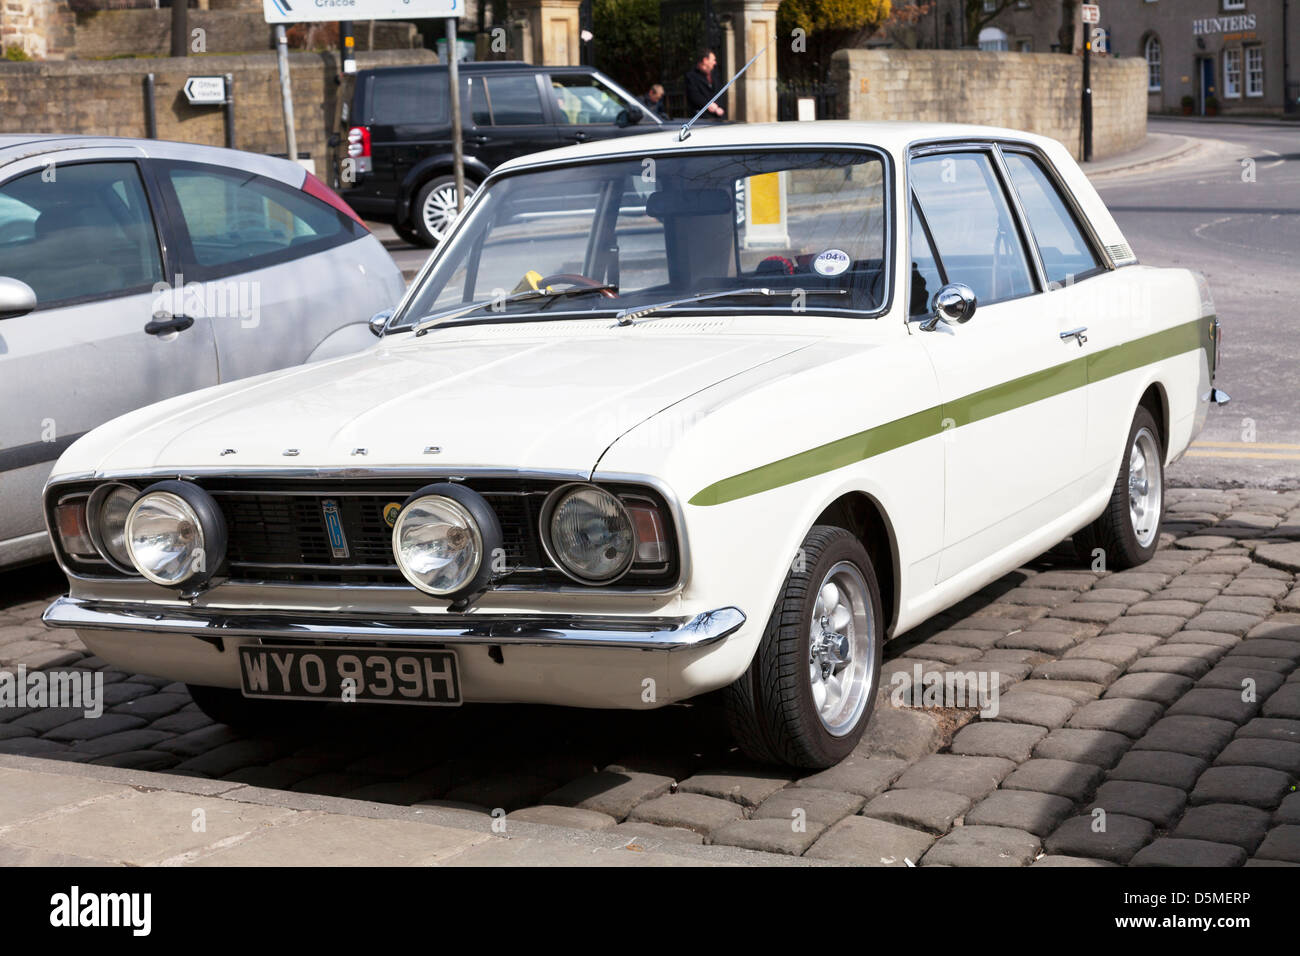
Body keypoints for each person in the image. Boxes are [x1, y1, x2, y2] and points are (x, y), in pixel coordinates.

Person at [683, 49, 725, 119]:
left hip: (718, 117)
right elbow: (694, 96)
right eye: (713, 60)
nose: (715, 63)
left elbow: (719, 93)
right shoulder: (691, 76)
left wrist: (719, 108)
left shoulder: (715, 75)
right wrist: (708, 105)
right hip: (701, 118)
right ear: (705, 60)